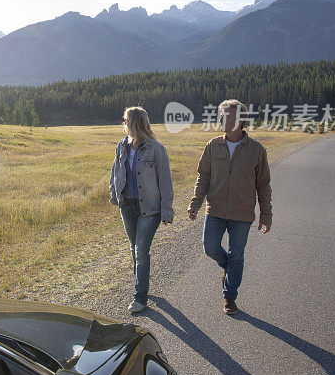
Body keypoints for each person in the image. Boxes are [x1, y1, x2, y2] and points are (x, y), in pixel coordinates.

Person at [188, 99, 272, 315]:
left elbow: (263, 185)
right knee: (210, 248)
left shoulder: (256, 150)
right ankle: (228, 268)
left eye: (226, 115)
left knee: (237, 255)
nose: (221, 119)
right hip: (215, 210)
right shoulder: (213, 145)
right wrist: (196, 203)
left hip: (242, 214)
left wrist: (266, 213)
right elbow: (203, 176)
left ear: (241, 120)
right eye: (220, 115)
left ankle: (229, 296)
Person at [110, 106, 174, 313]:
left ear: (134, 122)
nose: (123, 123)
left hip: (150, 209)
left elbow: (165, 181)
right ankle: (141, 282)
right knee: (133, 248)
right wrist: (114, 195)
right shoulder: (122, 145)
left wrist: (167, 210)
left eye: (126, 119)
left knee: (141, 250)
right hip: (127, 205)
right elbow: (115, 172)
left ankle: (140, 297)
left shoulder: (156, 148)